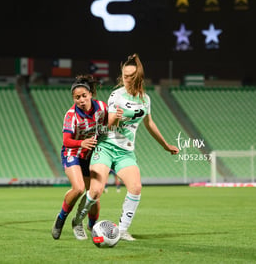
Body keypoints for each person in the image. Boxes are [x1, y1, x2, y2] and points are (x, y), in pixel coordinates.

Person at [73, 54, 179, 241]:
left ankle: (121, 230)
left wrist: (165, 145)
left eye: (130, 76)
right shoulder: (117, 95)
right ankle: (77, 220)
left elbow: (149, 123)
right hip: (106, 146)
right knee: (96, 190)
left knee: (136, 187)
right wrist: (116, 118)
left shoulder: (145, 99)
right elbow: (107, 125)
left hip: (125, 151)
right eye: (124, 75)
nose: (126, 79)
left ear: (138, 77)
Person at [52, 75, 108, 240]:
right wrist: (82, 143)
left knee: (94, 194)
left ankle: (92, 227)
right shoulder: (71, 115)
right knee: (78, 188)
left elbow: (109, 125)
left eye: (84, 96)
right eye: (77, 97)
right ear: (73, 99)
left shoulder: (102, 108)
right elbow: (66, 140)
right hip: (73, 152)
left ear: (91, 94)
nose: (81, 100)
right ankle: (61, 219)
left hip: (92, 155)